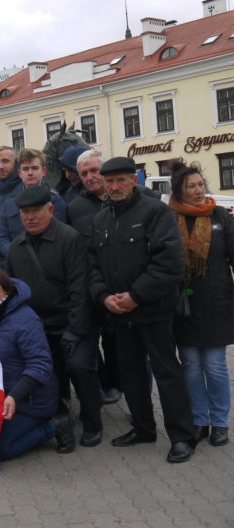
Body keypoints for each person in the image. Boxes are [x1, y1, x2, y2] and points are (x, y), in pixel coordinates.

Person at [89, 156, 196, 463]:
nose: (115, 186)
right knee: (131, 374)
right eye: (110, 181)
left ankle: (182, 437)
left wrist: (136, 296)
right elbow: (93, 265)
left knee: (167, 373)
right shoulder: (101, 219)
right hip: (119, 313)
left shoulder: (155, 212)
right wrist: (103, 297)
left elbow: (170, 263)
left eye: (122, 180)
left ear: (134, 180)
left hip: (154, 310)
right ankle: (143, 427)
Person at [6, 185, 102, 448]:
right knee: (48, 374)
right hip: (39, 326)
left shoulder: (69, 239)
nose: (30, 217)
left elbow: (79, 289)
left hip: (75, 320)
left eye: (36, 210)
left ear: (50, 210)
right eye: (25, 212)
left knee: (80, 367)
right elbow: (14, 292)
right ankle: (60, 418)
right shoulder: (16, 247)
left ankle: (93, 421)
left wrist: (75, 330)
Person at [0, 264, 72, 463]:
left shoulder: (26, 319)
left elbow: (40, 364)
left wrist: (15, 396)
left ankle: (54, 425)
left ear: (5, 290)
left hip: (28, 400)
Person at [168, 159, 234, 447]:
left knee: (216, 365)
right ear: (179, 191)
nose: (198, 190)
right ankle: (199, 420)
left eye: (200, 184)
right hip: (184, 304)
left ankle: (220, 422)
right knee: (191, 365)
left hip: (217, 301)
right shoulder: (169, 218)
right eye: (190, 186)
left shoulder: (219, 216)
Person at [66, 149, 122, 404]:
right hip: (90, 286)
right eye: (84, 173)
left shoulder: (127, 199)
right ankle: (103, 386)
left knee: (118, 344)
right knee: (93, 341)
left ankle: (123, 388)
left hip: (122, 287)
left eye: (94, 171)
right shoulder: (75, 208)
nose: (90, 177)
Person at [0, 146, 24, 266]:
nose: (1, 166)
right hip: (0, 264)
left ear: (17, 164)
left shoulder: (25, 190)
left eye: (6, 161)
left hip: (21, 260)